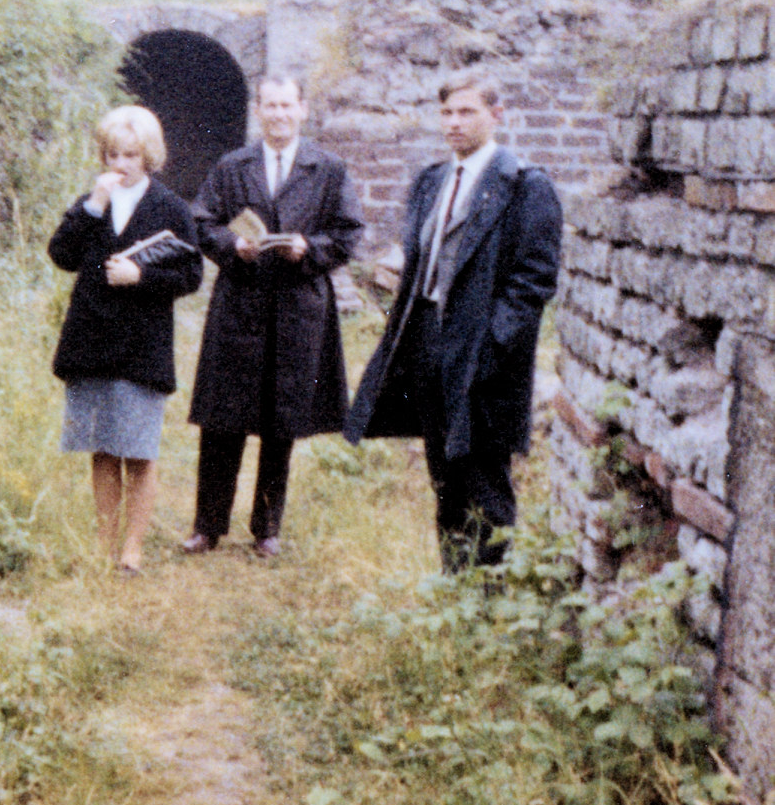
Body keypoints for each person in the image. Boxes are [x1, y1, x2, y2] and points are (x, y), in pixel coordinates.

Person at [344, 72, 563, 571]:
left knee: (484, 476)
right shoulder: (432, 181)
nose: (454, 123)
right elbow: (433, 255)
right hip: (425, 338)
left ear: (496, 114)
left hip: (485, 350)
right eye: (446, 112)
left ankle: (487, 598)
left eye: (467, 112)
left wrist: (492, 343)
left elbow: (535, 279)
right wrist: (405, 270)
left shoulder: (526, 185)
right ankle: (453, 581)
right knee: (443, 470)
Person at [181, 75, 364, 558]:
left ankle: (267, 528)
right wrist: (230, 245)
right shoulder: (232, 165)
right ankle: (207, 525)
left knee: (282, 418)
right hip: (240, 300)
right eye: (270, 105)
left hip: (298, 306)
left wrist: (311, 248)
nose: (279, 114)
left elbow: (348, 233)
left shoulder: (327, 168)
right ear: (258, 110)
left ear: (303, 109)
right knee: (223, 416)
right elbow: (202, 220)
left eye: (287, 105)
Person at [50, 105, 202, 574]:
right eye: (113, 154)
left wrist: (141, 275)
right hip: (91, 339)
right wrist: (92, 206)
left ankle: (132, 547)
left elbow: (191, 274)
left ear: (149, 156)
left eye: (131, 155)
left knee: (138, 449)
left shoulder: (171, 207)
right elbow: (61, 254)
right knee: (102, 447)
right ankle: (103, 541)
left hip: (141, 344)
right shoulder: (92, 203)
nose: (120, 164)